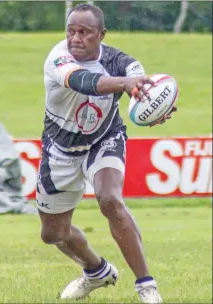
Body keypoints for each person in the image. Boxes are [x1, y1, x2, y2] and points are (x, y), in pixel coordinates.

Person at [36, 3, 176, 303]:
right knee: (52, 234)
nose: (75, 38)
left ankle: (146, 286)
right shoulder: (58, 58)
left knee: (110, 199)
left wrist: (155, 106)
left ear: (101, 35)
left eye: (84, 32)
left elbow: (142, 86)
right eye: (71, 30)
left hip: (104, 139)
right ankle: (96, 271)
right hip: (59, 148)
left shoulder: (121, 62)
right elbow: (83, 82)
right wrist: (125, 84)